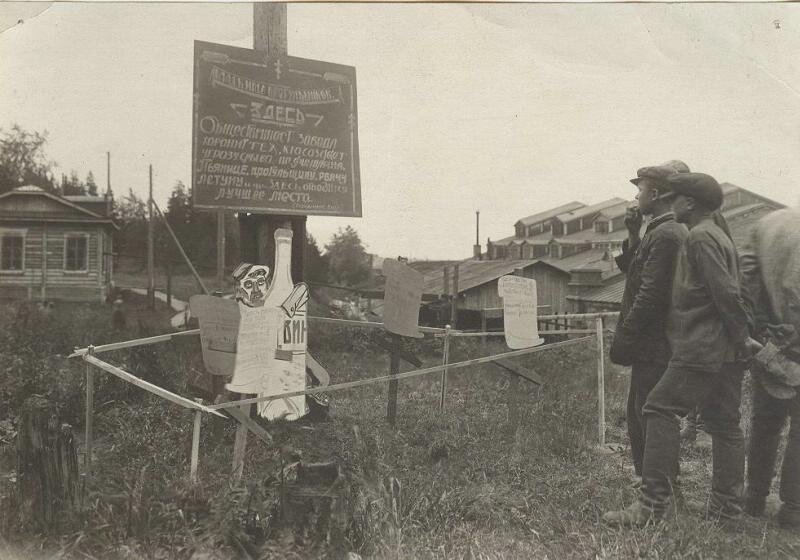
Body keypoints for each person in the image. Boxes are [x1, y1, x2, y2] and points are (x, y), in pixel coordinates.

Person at [604, 172, 762, 526]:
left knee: (658, 407)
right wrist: (739, 342)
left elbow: (725, 294)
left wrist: (741, 339)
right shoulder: (717, 234)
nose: (669, 203)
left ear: (689, 203)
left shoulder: (701, 237)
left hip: (701, 345)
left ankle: (654, 506)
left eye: (674, 198)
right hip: (722, 349)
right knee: (724, 424)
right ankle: (726, 512)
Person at [610, 161, 689, 481]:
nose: (635, 197)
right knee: (639, 411)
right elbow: (633, 270)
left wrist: (625, 335)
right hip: (650, 342)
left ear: (654, 194)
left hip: (654, 342)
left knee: (650, 413)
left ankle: (659, 487)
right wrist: (632, 233)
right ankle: (650, 482)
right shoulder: (658, 230)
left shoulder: (668, 234)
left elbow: (651, 294)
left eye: (639, 190)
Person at [739, 207, 800, 528]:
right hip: (792, 341)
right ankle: (793, 509)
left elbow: (746, 279)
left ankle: (754, 499)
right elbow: (795, 288)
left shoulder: (770, 221)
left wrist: (760, 328)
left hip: (770, 342)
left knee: (765, 423)